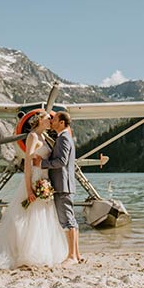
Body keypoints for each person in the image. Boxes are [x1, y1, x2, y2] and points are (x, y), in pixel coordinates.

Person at [0, 112, 68, 270]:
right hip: (35, 179)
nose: (51, 120)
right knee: (27, 216)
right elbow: (28, 164)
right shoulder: (33, 137)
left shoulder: (44, 137)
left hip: (45, 179)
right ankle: (22, 253)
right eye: (48, 118)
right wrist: (29, 189)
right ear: (39, 120)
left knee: (43, 217)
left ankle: (40, 253)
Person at [34, 111, 81, 266]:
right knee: (71, 220)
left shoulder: (63, 138)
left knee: (67, 221)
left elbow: (61, 161)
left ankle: (72, 256)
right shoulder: (64, 137)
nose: (51, 122)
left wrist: (41, 164)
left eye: (54, 120)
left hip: (63, 185)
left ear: (62, 123)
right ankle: (77, 255)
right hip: (64, 184)